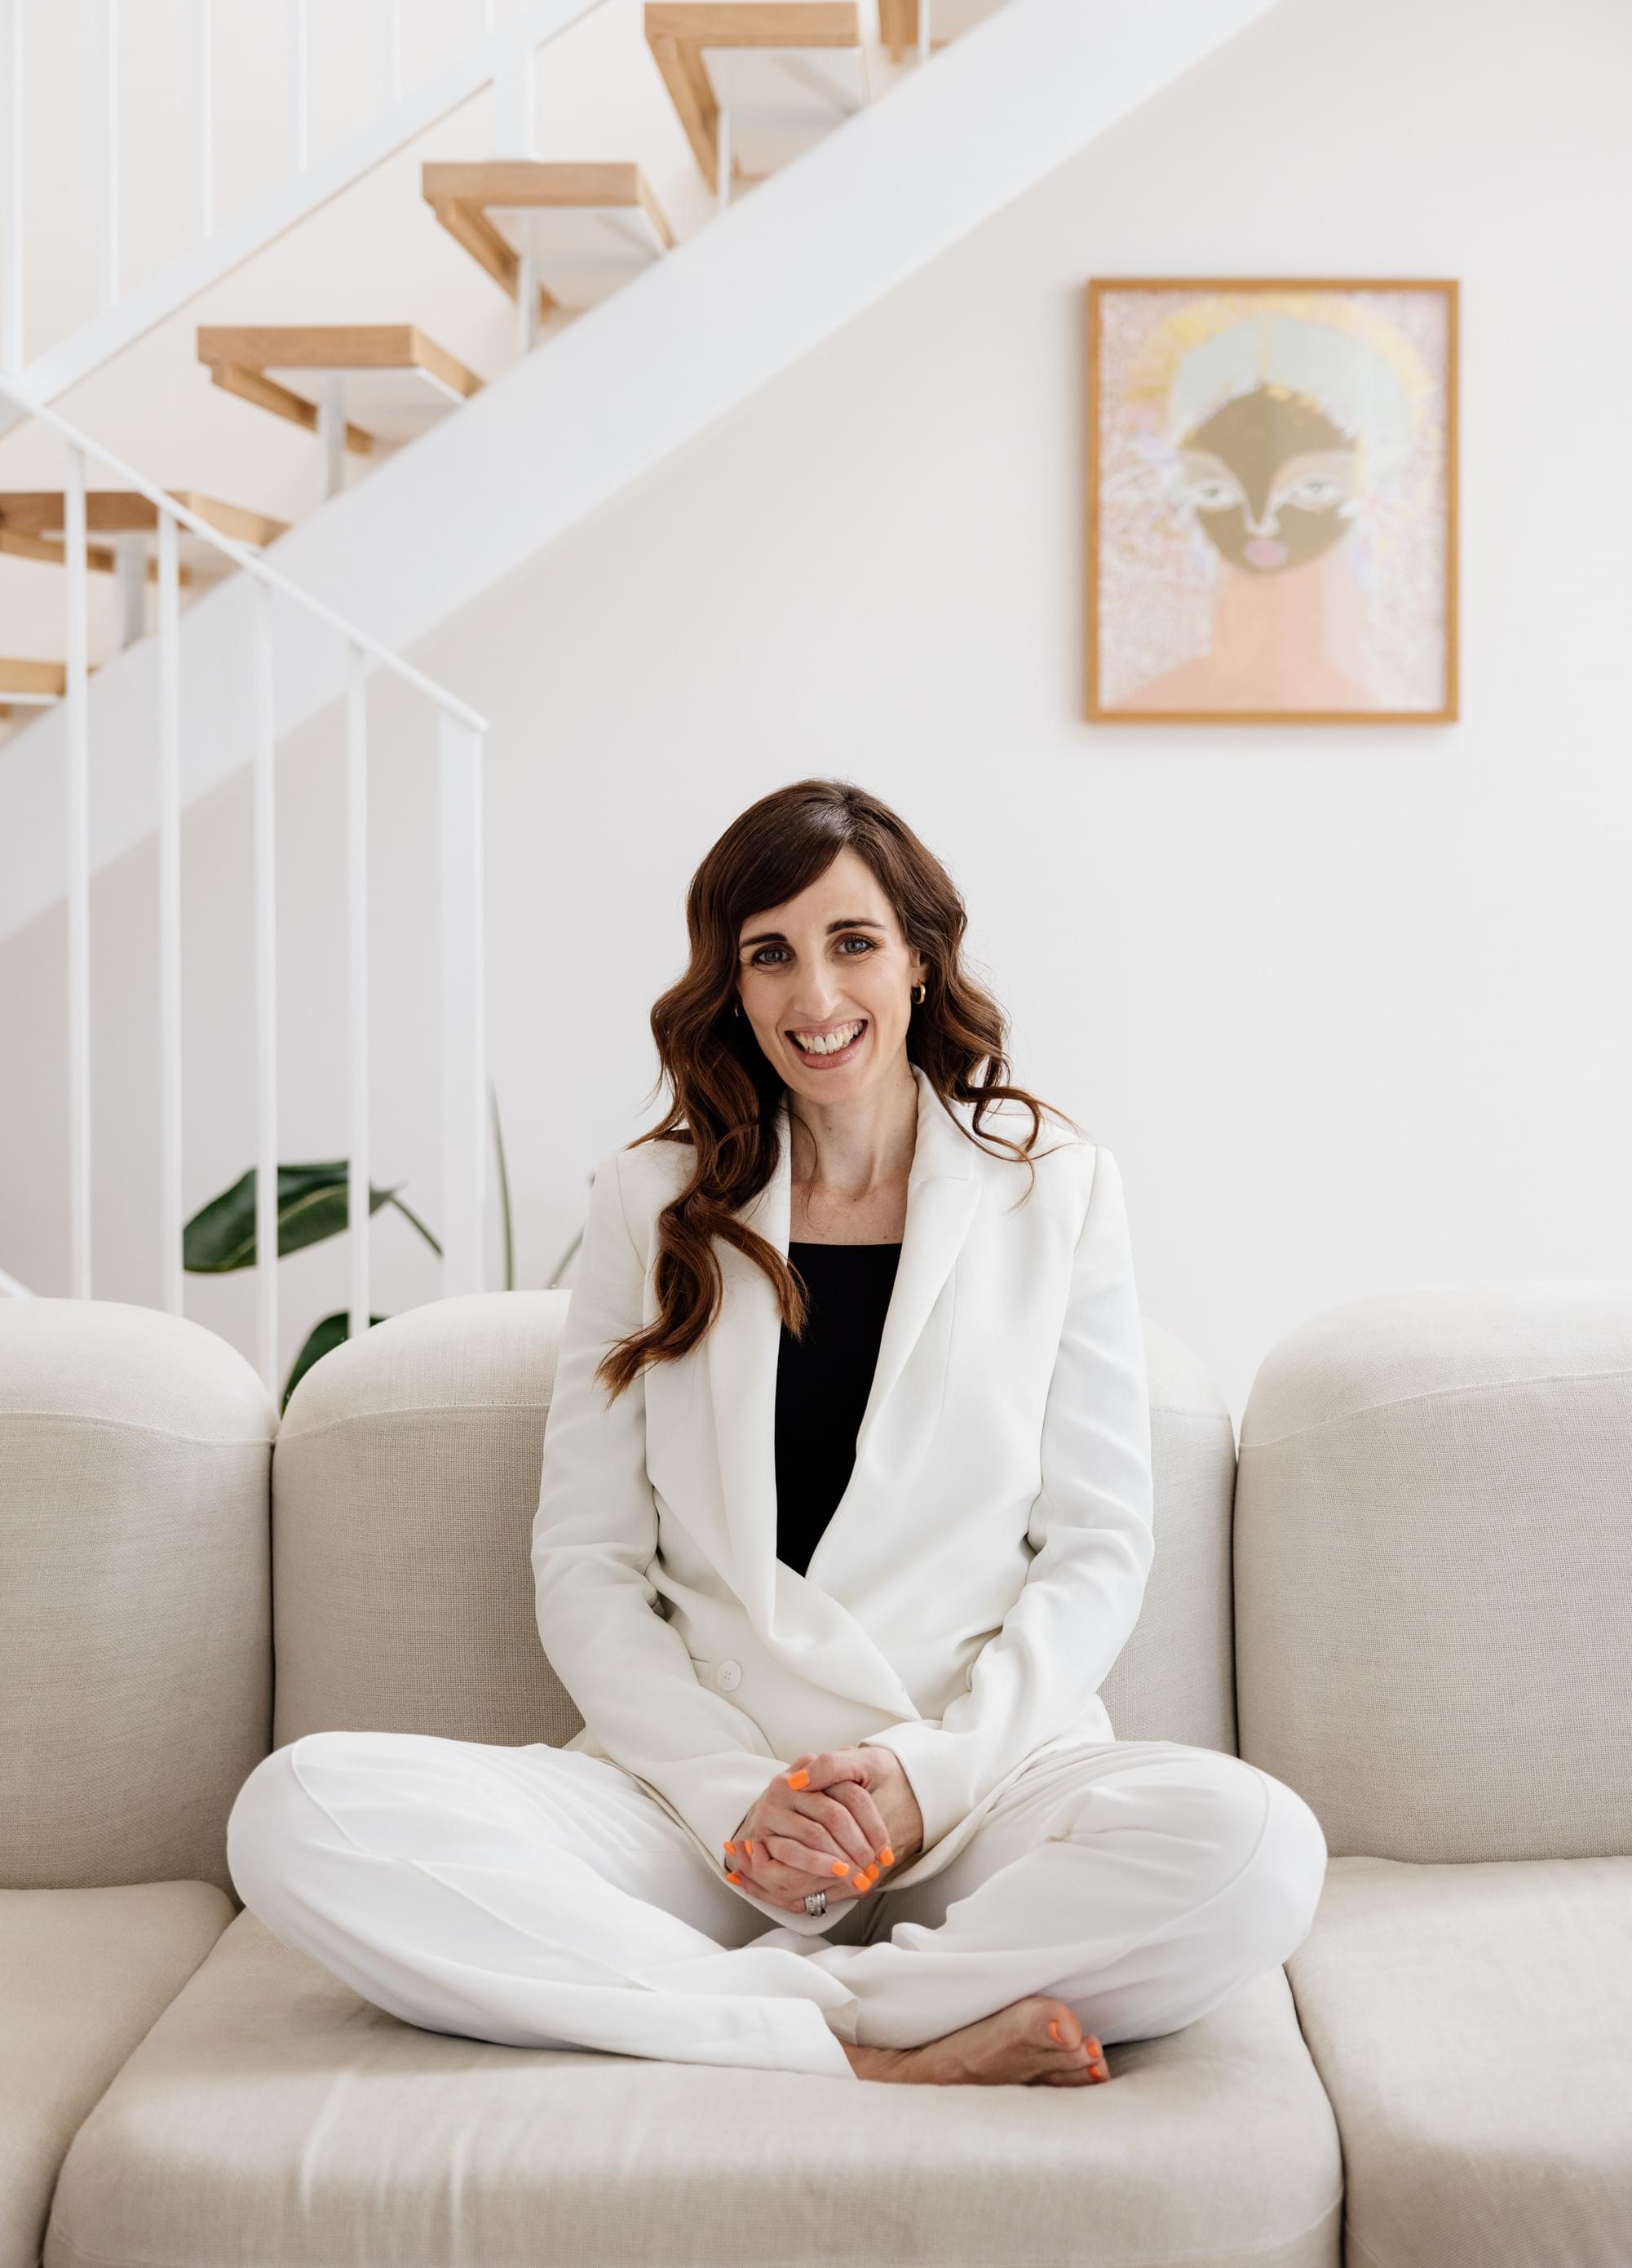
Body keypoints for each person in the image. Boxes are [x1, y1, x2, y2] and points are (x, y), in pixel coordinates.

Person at [227, 777, 1328, 2086]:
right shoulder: (652, 1200)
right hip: (700, 1806)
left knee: (1255, 1844)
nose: (814, 995)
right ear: (732, 986)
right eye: (769, 955)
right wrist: (731, 1799)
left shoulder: (1051, 1187)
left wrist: (923, 1779)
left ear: (919, 959)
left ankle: (746, 2022)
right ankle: (875, 2045)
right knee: (299, 1810)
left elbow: (1096, 1549)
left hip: (970, 1791)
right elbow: (586, 1565)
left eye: (852, 943)